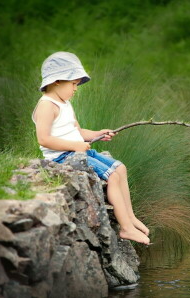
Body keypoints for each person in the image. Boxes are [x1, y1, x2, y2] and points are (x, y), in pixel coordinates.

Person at [32, 51, 150, 245]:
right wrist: (75, 146)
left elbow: (78, 131)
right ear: (57, 81)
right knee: (112, 176)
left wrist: (97, 134)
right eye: (73, 84)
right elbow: (44, 139)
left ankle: (130, 217)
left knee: (120, 168)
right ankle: (126, 228)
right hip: (62, 157)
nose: (76, 89)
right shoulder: (47, 105)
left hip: (76, 150)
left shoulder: (64, 103)